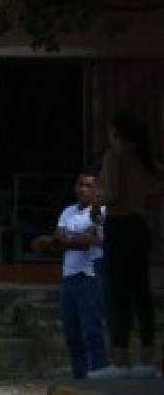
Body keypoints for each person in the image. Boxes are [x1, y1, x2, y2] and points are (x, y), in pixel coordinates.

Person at [88, 110, 163, 380]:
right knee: (141, 292)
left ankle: (120, 360)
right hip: (139, 225)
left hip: (120, 227)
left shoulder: (115, 156)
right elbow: (156, 183)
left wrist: (96, 201)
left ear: (116, 131)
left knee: (119, 293)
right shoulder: (143, 158)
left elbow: (113, 193)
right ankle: (148, 358)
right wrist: (143, 196)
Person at [54, 173, 108, 379]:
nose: (84, 189)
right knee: (72, 334)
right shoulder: (68, 211)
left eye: (89, 185)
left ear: (97, 189)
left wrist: (69, 239)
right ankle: (81, 379)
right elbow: (58, 238)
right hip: (69, 277)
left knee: (92, 333)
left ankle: (99, 379)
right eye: (81, 184)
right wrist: (77, 239)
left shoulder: (102, 211)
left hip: (90, 276)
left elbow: (94, 240)